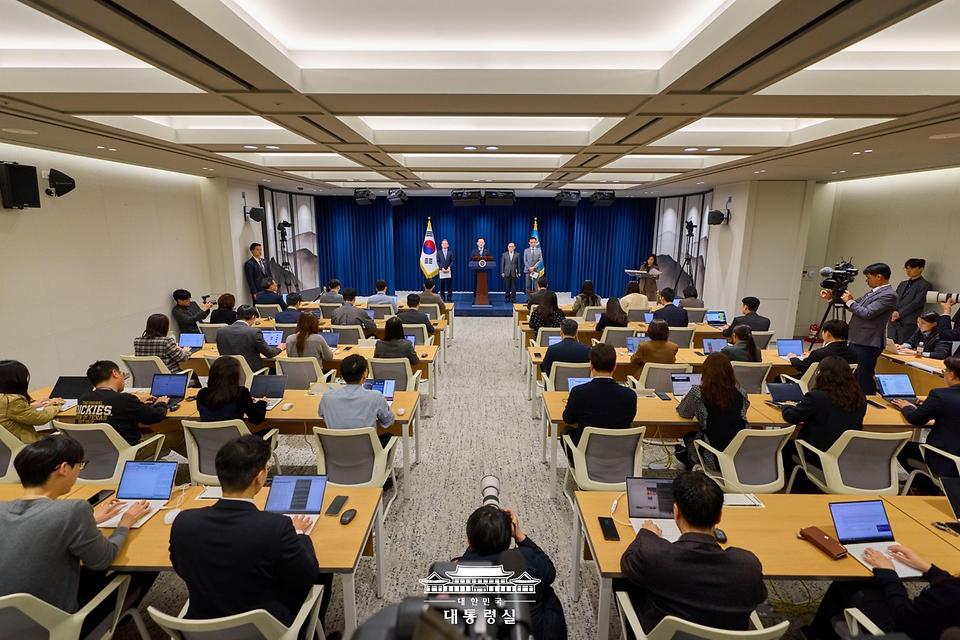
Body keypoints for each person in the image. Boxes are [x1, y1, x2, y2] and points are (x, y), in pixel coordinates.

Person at [169, 435, 334, 634]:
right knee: (322, 572)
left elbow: (181, 567)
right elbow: (307, 575)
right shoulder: (276, 527)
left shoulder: (183, 522)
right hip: (263, 631)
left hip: (201, 629)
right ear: (259, 477)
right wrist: (299, 533)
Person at [0, 437, 152, 636]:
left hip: (9, 624)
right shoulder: (73, 509)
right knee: (143, 564)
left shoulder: (3, 509)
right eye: (80, 465)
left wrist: (90, 520)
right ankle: (116, 618)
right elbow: (104, 559)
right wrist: (125, 522)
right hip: (58, 627)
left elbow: (34, 529)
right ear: (63, 468)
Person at [620, 471, 766, 635]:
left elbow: (627, 562)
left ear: (676, 512)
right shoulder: (748, 566)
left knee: (625, 583)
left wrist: (646, 534)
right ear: (719, 517)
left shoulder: (656, 555)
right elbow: (759, 596)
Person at [803, 544, 959, 640]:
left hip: (903, 630)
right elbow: (952, 586)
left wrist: (888, 573)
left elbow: (902, 614)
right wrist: (927, 567)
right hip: (927, 624)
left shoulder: (948, 599)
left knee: (851, 582)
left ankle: (818, 634)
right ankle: (818, 633)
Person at [459, 506, 566, 640]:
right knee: (546, 589)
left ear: (470, 543)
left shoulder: (461, 572)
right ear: (509, 538)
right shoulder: (525, 557)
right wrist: (520, 536)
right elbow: (550, 573)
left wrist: (475, 542)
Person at [781, 355, 866, 493]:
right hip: (846, 453)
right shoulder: (860, 398)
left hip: (818, 453)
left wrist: (787, 406)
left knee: (787, 446)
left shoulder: (816, 397)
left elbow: (791, 417)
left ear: (822, 375)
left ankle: (802, 487)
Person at [76, 360, 186, 456]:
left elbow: (113, 410)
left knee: (146, 430)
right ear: (115, 373)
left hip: (95, 453)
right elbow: (156, 416)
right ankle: (200, 469)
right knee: (179, 435)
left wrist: (137, 403)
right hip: (128, 451)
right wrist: (161, 403)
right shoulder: (124, 400)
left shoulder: (83, 400)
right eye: (121, 373)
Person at [820, 262, 898, 395]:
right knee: (853, 374)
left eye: (868, 277)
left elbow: (867, 313)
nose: (867, 280)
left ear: (879, 277)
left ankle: (869, 401)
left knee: (863, 376)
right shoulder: (873, 292)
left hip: (868, 342)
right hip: (856, 338)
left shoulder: (889, 295)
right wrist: (831, 299)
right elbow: (854, 306)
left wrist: (850, 301)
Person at [892, 356, 960, 495]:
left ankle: (931, 488)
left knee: (902, 447)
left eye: (945, 371)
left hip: (946, 459)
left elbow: (916, 419)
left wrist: (907, 407)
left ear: (952, 375)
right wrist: (930, 403)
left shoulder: (940, 395)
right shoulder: (941, 397)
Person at [676, 353, 749, 470]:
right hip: (738, 455)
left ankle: (688, 458)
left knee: (688, 438)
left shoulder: (698, 391)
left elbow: (685, 413)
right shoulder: (741, 392)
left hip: (712, 458)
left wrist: (687, 400)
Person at [561, 344, 638, 453]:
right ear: (615, 366)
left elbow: (568, 419)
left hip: (585, 456)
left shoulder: (579, 393)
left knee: (566, 431)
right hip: (619, 455)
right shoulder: (630, 395)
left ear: (591, 365)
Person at [318, 354, 394, 447]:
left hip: (337, 451)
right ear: (365, 375)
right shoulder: (375, 396)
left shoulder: (327, 397)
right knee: (389, 437)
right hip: (366, 452)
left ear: (341, 376)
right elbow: (388, 420)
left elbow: (322, 415)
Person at [0, 360, 64, 443]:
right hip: (23, 445)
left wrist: (30, 405)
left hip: (6, 446)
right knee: (66, 436)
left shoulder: (5, 399)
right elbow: (41, 418)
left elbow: (6, 411)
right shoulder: (13, 401)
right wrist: (54, 403)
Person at [196, 357, 268, 430]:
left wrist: (247, 401)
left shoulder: (202, 393)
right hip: (236, 440)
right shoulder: (241, 393)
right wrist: (262, 403)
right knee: (269, 430)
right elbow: (256, 419)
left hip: (210, 440)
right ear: (235, 376)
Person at [216, 304, 284, 372]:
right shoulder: (254, 332)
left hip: (227, 372)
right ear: (253, 317)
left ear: (237, 316)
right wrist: (280, 348)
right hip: (250, 372)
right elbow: (269, 353)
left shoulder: (221, 331)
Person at [786, 319, 858, 375]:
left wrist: (793, 357)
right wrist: (811, 357)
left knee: (778, 378)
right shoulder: (853, 353)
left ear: (827, 333)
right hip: (841, 387)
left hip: (818, 384)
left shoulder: (820, 353)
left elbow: (801, 366)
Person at [889, 258, 932, 343]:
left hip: (908, 320)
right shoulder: (903, 284)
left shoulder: (925, 285)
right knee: (890, 344)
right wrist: (894, 311)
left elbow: (917, 302)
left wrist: (900, 313)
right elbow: (894, 298)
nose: (908, 271)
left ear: (921, 269)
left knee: (903, 345)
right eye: (907, 268)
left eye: (911, 268)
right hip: (893, 318)